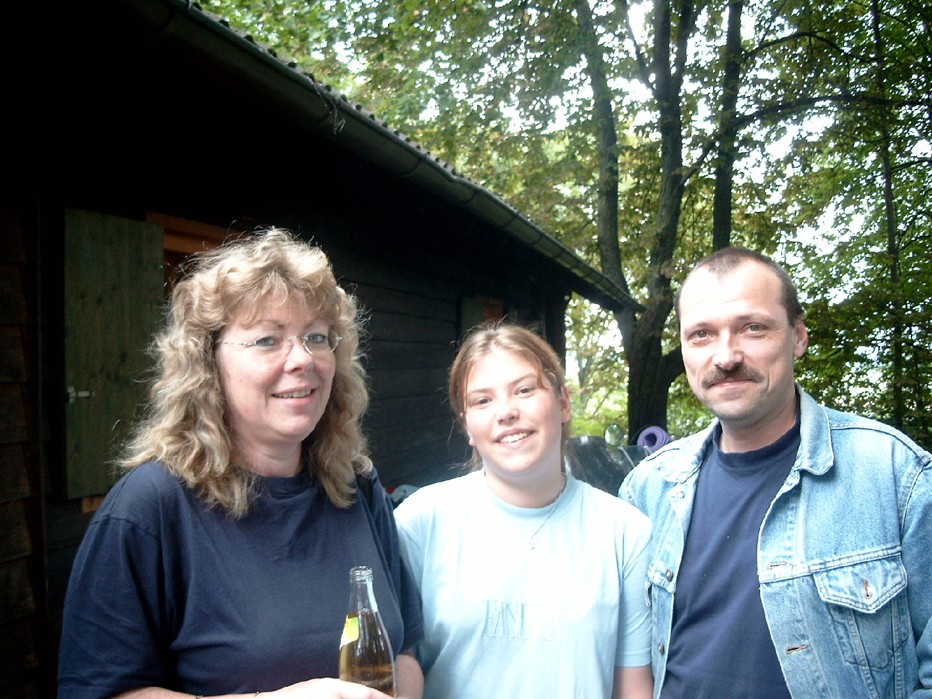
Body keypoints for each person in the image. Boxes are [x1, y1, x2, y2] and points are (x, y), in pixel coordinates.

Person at [58, 229, 424, 699]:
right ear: (208, 364)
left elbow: (403, 653)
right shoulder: (149, 509)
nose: (303, 359)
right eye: (268, 340)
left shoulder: (356, 486)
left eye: (316, 336)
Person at [619, 247, 932, 698]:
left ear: (798, 336)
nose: (726, 356)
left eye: (753, 327)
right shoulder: (649, 489)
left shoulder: (895, 474)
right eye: (702, 334)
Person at [394, 322, 654, 699]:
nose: (506, 412)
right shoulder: (418, 523)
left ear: (563, 402)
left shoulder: (625, 532)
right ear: (467, 425)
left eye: (525, 390)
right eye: (482, 401)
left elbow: (633, 688)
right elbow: (393, 668)